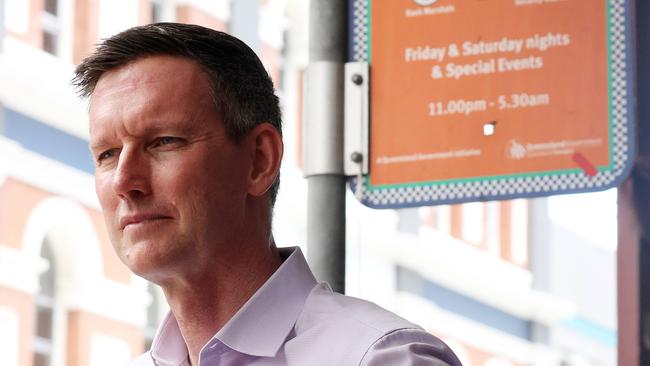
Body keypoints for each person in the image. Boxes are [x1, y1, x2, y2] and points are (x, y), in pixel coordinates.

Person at [73, 23, 461, 366]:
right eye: (107, 154)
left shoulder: (382, 359)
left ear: (260, 160)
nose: (125, 180)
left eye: (164, 141)